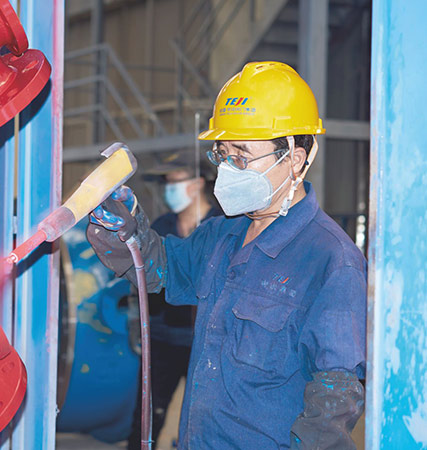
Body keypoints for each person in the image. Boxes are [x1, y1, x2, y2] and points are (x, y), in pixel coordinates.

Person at [87, 61, 366, 449]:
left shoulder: (331, 260)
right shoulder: (221, 234)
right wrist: (126, 230)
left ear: (294, 158)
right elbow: (160, 267)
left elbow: (334, 396)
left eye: (242, 155)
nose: (229, 170)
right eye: (222, 154)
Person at [127, 152, 222, 449]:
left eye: (175, 181)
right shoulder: (162, 225)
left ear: (198, 183)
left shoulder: (223, 225)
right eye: (166, 182)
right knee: (147, 415)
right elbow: (145, 274)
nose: (170, 188)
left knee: (208, 418)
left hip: (208, 341)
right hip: (163, 337)